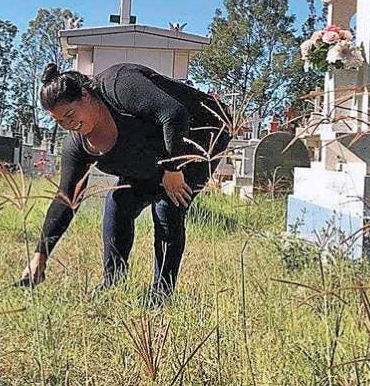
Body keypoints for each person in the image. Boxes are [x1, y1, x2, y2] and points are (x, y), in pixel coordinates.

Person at [19, 62, 232, 306]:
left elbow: (174, 114)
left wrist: (173, 169)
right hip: (156, 152)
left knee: (167, 205)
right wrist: (40, 254)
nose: (69, 125)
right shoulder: (77, 147)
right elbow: (67, 199)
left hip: (200, 131)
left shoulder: (119, 85)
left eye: (70, 114)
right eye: (60, 122)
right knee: (120, 201)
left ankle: (161, 296)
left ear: (86, 96)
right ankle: (113, 283)